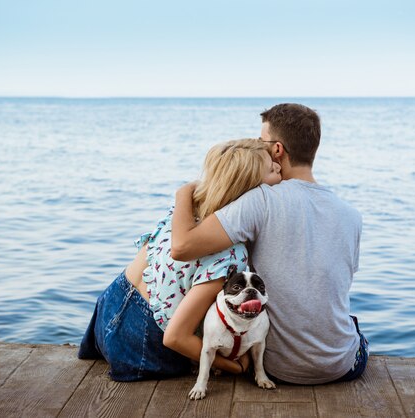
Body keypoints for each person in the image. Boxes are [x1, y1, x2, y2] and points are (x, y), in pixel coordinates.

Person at [170, 103, 368, 384]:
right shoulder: (352, 216)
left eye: (261, 142)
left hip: (277, 369)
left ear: (277, 149)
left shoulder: (260, 199)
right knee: (352, 326)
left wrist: (183, 194)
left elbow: (182, 246)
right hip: (342, 365)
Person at [78, 138, 282, 381]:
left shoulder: (188, 212)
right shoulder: (229, 256)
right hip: (139, 343)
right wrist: (234, 367)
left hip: (107, 310)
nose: (279, 167)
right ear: (250, 190)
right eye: (272, 168)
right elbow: (175, 337)